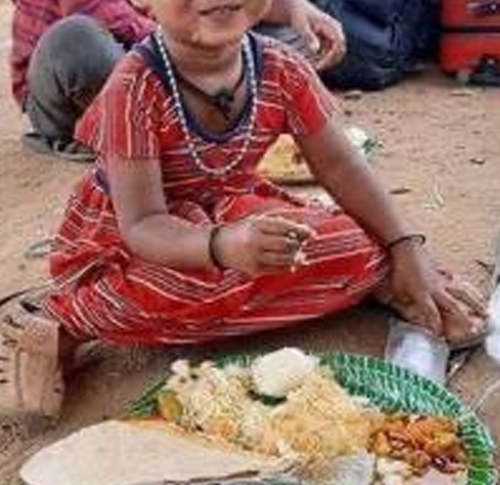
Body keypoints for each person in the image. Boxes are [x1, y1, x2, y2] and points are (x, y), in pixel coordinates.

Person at [0, 0, 486, 418]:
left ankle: (386, 275)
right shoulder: (133, 87)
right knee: (189, 289)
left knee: (351, 239)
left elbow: (341, 168)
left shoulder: (280, 66)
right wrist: (221, 245)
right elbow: (143, 224)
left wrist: (404, 248)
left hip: (231, 209)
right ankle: (70, 320)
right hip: (138, 244)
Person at [11, 0, 344, 161]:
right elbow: (111, 17)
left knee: (291, 37)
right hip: (83, 88)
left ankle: (198, 106)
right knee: (77, 41)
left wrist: (292, 9)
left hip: (167, 51)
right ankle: (187, 110)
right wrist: (196, 40)